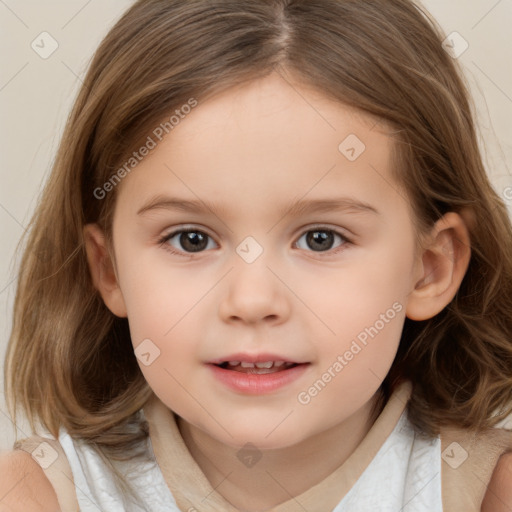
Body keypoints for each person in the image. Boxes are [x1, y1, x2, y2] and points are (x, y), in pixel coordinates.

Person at [1, 0, 512, 510]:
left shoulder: (487, 492)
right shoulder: (35, 496)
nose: (251, 300)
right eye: (191, 239)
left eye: (321, 239)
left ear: (429, 269)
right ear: (109, 269)